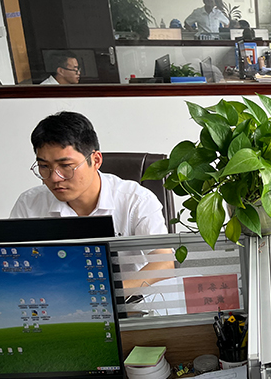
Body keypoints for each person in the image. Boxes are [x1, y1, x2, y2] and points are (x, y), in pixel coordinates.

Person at [10, 112, 173, 283]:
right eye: (44, 166)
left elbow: (164, 263)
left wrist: (110, 295)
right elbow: (14, 262)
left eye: (66, 166)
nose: (54, 177)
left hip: (129, 297)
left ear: (96, 160)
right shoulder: (29, 203)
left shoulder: (136, 200)